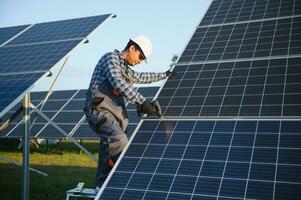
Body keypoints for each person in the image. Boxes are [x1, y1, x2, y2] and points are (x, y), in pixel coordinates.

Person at [84, 35, 176, 190]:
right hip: (99, 110)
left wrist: (164, 75)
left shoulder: (125, 69)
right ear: (132, 48)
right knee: (119, 140)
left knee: (108, 150)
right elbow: (118, 82)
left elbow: (141, 77)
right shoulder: (110, 58)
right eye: (140, 56)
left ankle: (102, 188)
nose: (140, 61)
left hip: (114, 114)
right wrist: (142, 101)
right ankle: (123, 183)